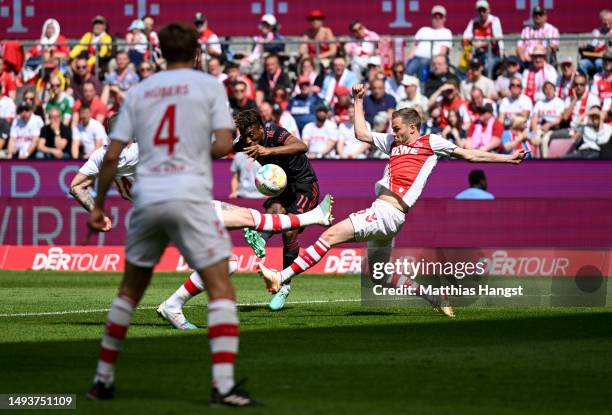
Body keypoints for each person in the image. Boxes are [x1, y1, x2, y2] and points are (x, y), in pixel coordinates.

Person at [84, 23, 257, 406]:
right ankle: (224, 387)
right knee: (220, 285)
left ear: (159, 52)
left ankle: (102, 381)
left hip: (148, 198)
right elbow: (224, 144)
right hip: (188, 195)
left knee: (129, 290)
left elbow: (111, 157)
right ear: (196, 54)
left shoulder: (140, 92)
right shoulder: (209, 87)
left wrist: (97, 207)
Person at [258, 84, 528, 316]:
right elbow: (361, 134)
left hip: (388, 212)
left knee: (329, 236)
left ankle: (281, 276)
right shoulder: (393, 142)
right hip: (385, 215)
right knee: (381, 276)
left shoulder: (430, 143)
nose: (393, 132)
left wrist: (507, 158)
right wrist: (358, 100)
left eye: (397, 128)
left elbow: (469, 154)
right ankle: (435, 297)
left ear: (412, 128)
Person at [233, 109, 321, 311]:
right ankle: (261, 239)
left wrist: (269, 151)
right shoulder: (246, 141)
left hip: (305, 187)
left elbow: (302, 146)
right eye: (244, 135)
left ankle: (284, 286)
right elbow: (222, 149)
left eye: (252, 135)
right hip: (284, 189)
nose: (248, 140)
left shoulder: (275, 134)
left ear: (260, 128)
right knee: (274, 210)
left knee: (289, 230)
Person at [405, 5, 452, 80]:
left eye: (440, 16)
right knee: (407, 69)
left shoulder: (446, 32)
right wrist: (407, 60)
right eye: (435, 16)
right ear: (431, 18)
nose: (437, 19)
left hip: (431, 59)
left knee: (421, 67)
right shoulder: (423, 30)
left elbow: (443, 51)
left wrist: (434, 61)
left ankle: (422, 86)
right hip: (416, 58)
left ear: (444, 19)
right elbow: (414, 47)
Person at [462, 0, 504, 74]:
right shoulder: (473, 22)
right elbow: (465, 39)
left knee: (487, 65)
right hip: (476, 54)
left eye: (484, 10)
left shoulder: (494, 20)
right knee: (463, 68)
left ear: (488, 10)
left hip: (493, 54)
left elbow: (498, 38)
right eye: (479, 11)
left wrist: (482, 44)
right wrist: (468, 51)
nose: (482, 13)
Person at [579, 10, 611, 77]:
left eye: (609, 20)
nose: (606, 22)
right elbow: (593, 46)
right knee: (582, 63)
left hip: (608, 60)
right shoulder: (596, 31)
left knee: (599, 62)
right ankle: (584, 83)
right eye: (604, 20)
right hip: (594, 58)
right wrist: (586, 46)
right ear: (601, 21)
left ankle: (602, 81)